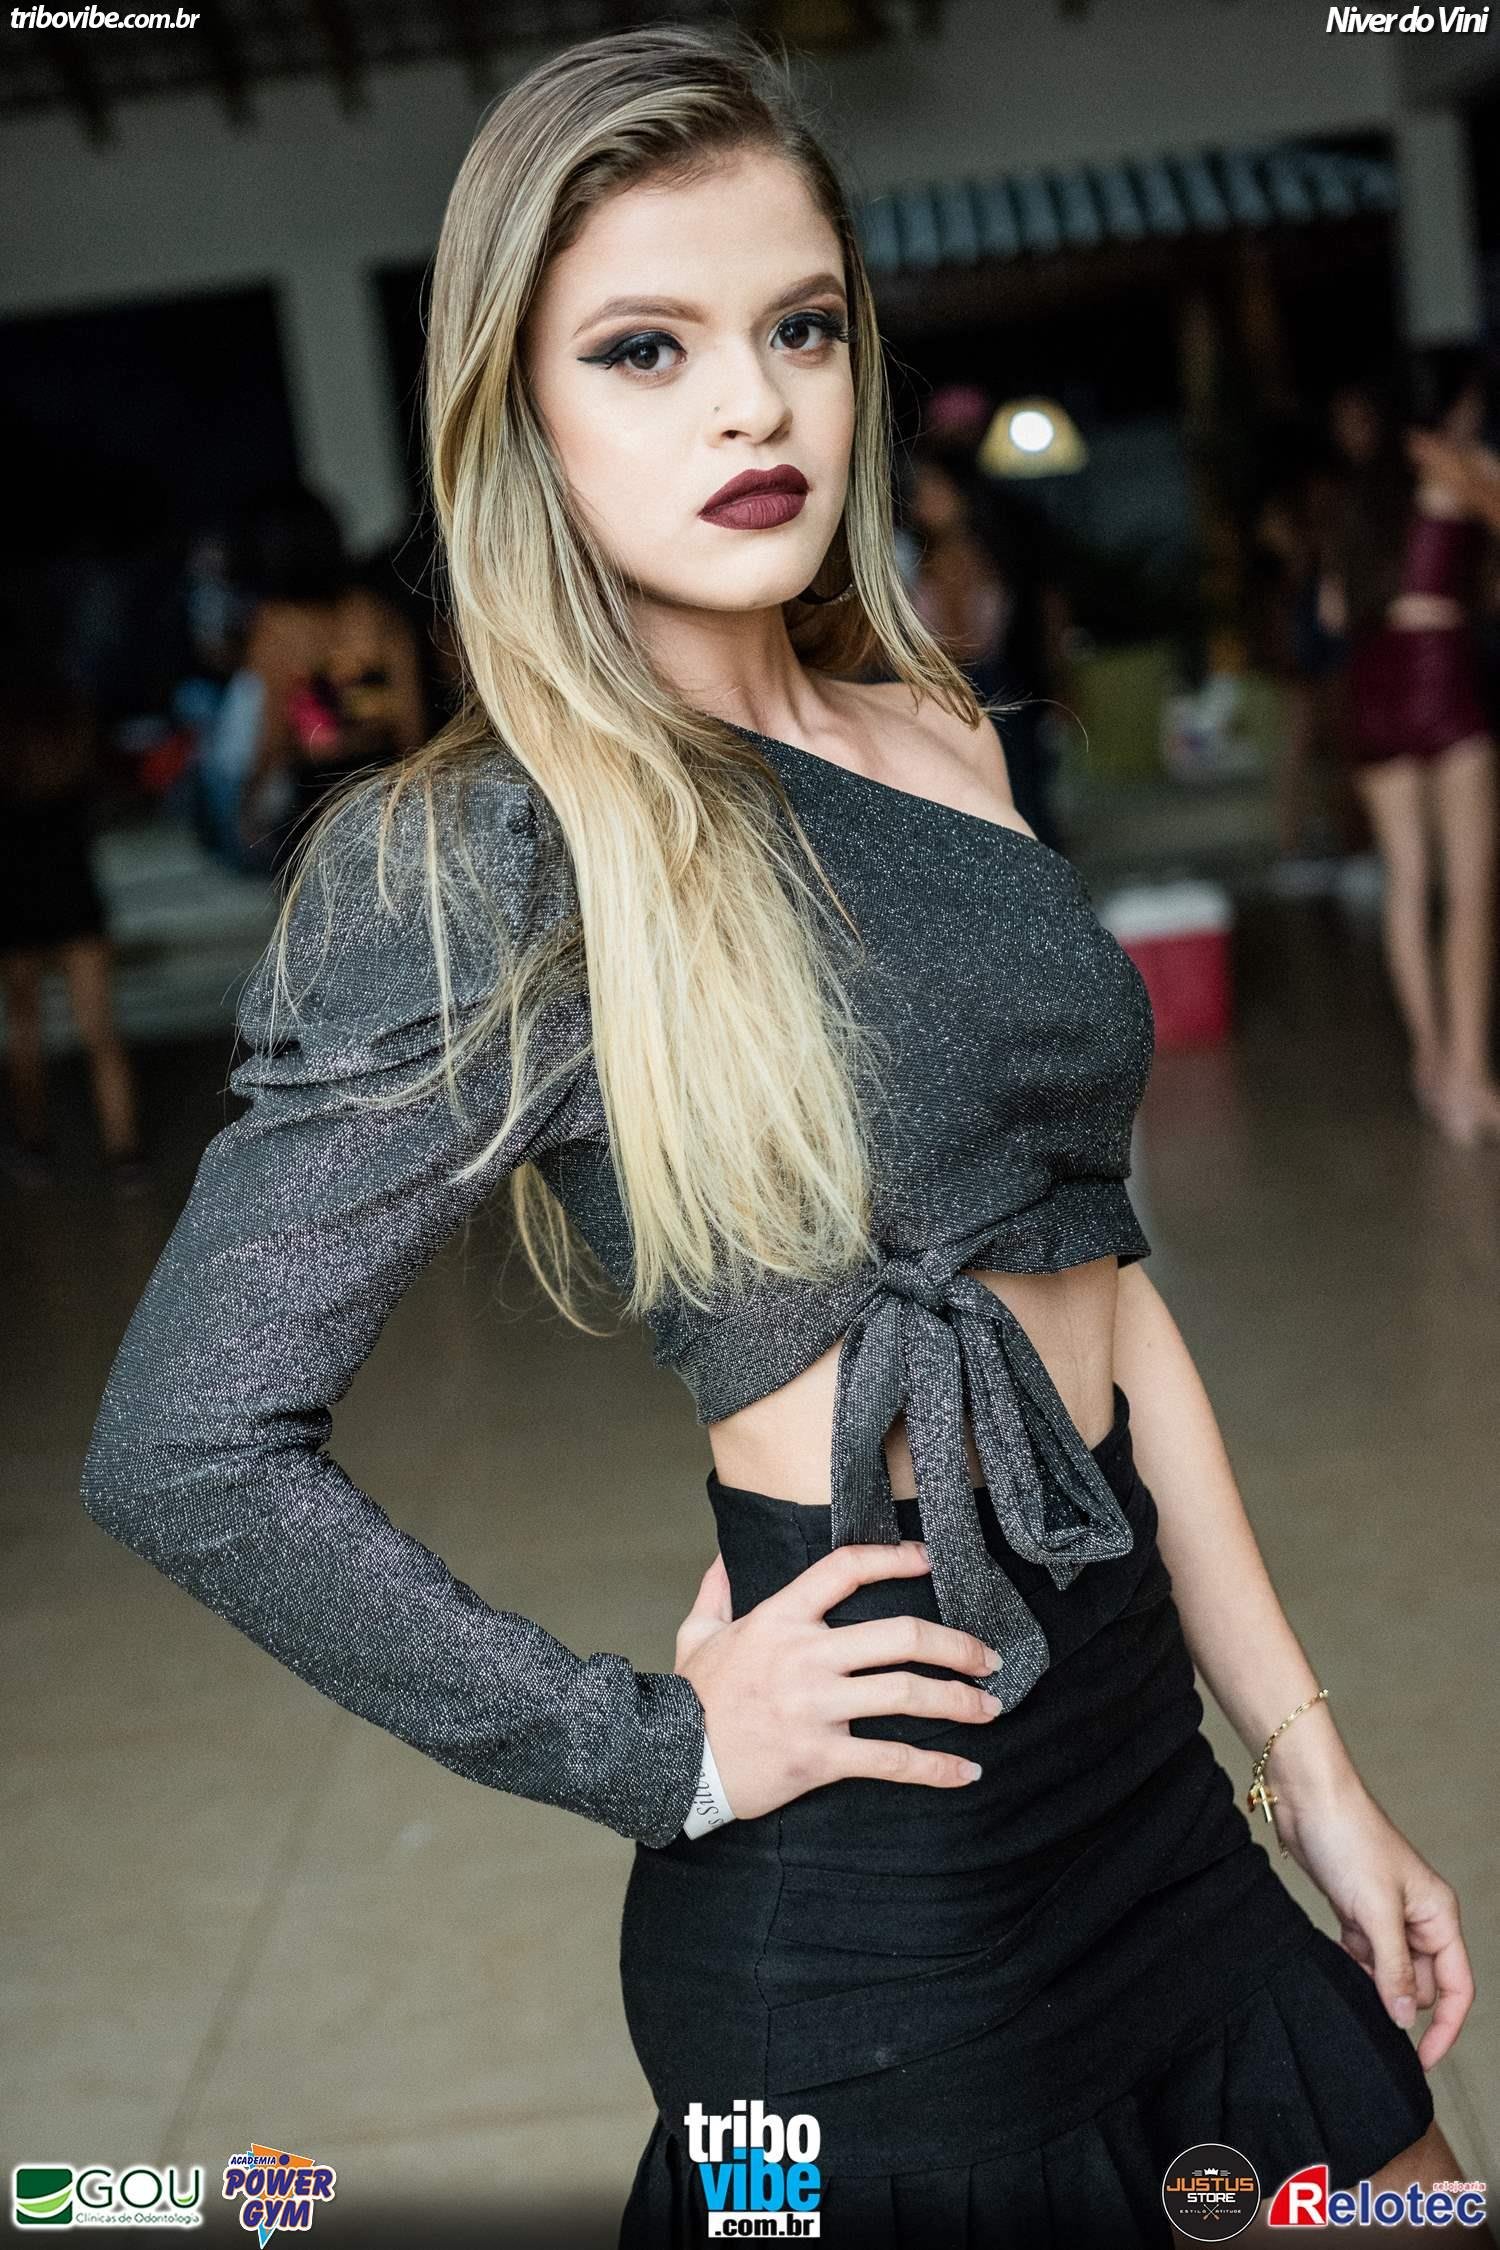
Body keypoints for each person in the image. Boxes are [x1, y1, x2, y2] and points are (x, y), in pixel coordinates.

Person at [79, 27, 1477, 2246]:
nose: (755, 406)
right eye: (646, 348)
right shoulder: (494, 855)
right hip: (883, 1921)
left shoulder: (937, 735)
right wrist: (657, 1746)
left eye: (800, 327)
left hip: (1154, 1794)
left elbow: (1106, 1296)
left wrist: (1308, 1761)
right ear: (519, 415)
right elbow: (184, 1445)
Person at [1322, 358, 1500, 1145]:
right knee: (1469, 889)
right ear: (1455, 411)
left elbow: (1333, 613)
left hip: (1373, 686)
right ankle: (1470, 1079)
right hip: (1441, 674)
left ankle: (1429, 1064)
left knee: (1407, 881)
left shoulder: (1360, 496)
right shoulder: (1453, 469)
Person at [0, 629, 147, 1192]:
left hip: (14, 892)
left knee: (23, 1026)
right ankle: (123, 1150)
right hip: (73, 887)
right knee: (100, 1028)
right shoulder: (73, 720)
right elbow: (109, 785)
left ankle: (33, 1143)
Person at [904, 433, 1068, 852]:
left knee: (1016, 803)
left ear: (959, 494)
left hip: (990, 686)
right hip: (953, 689)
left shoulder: (985, 555)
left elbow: (965, 639)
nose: (920, 501)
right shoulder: (917, 557)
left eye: (932, 490)